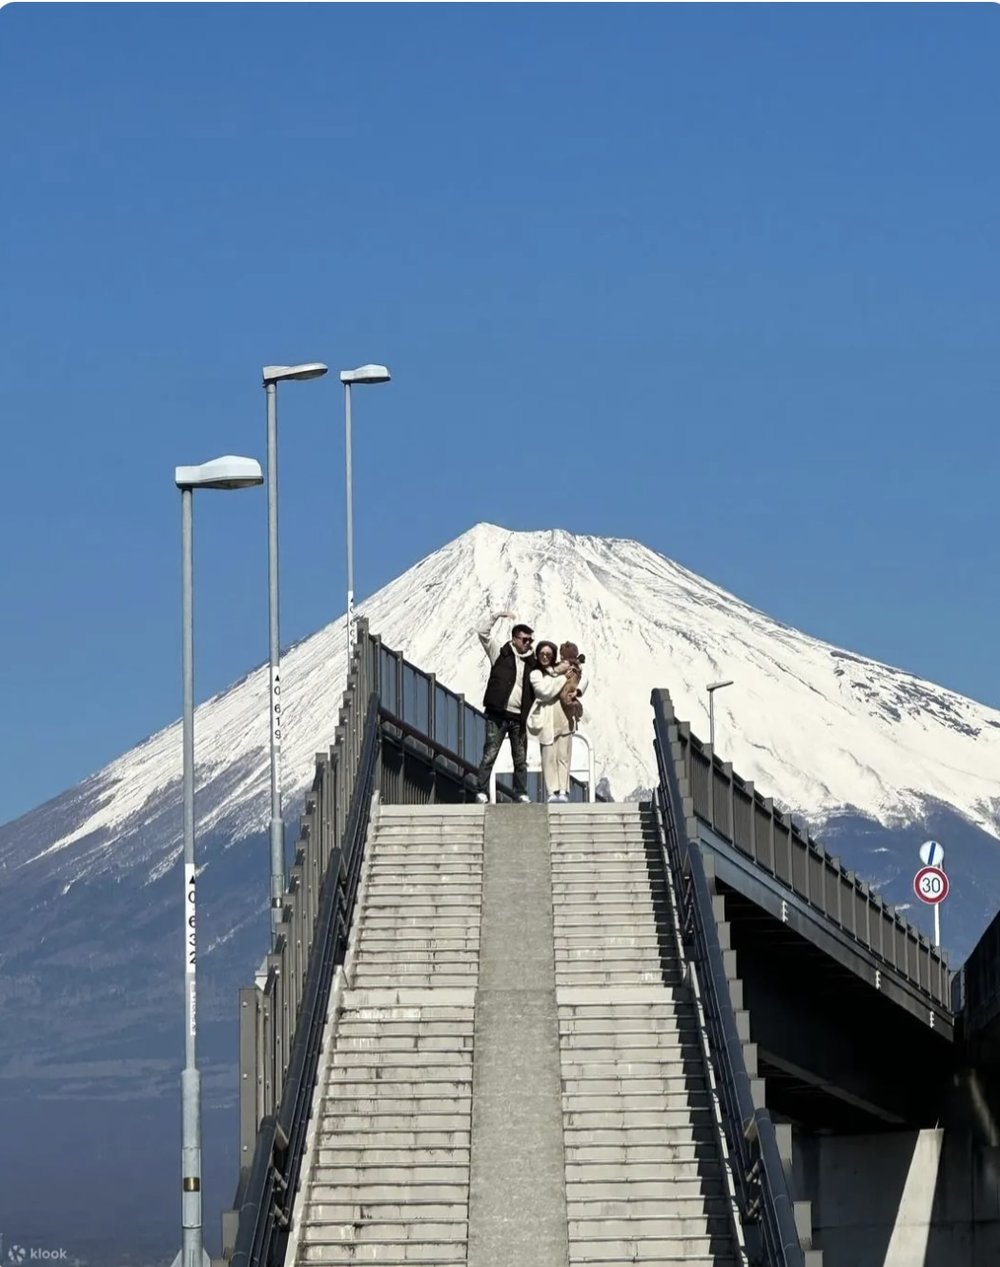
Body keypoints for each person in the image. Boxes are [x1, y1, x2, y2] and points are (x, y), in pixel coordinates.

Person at [474, 610, 537, 803]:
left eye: (530, 640)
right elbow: (482, 634)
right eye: (525, 640)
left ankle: (520, 792)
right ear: (515, 639)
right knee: (490, 754)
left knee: (520, 758)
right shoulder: (500, 654)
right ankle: (481, 790)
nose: (528, 643)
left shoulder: (532, 662)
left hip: (520, 716)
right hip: (498, 714)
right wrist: (495, 616)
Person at [527, 640, 589, 802]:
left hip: (565, 717)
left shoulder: (569, 669)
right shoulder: (542, 672)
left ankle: (562, 790)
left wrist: (577, 691)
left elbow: (583, 679)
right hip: (547, 718)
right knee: (548, 756)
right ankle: (551, 792)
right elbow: (544, 690)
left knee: (563, 756)